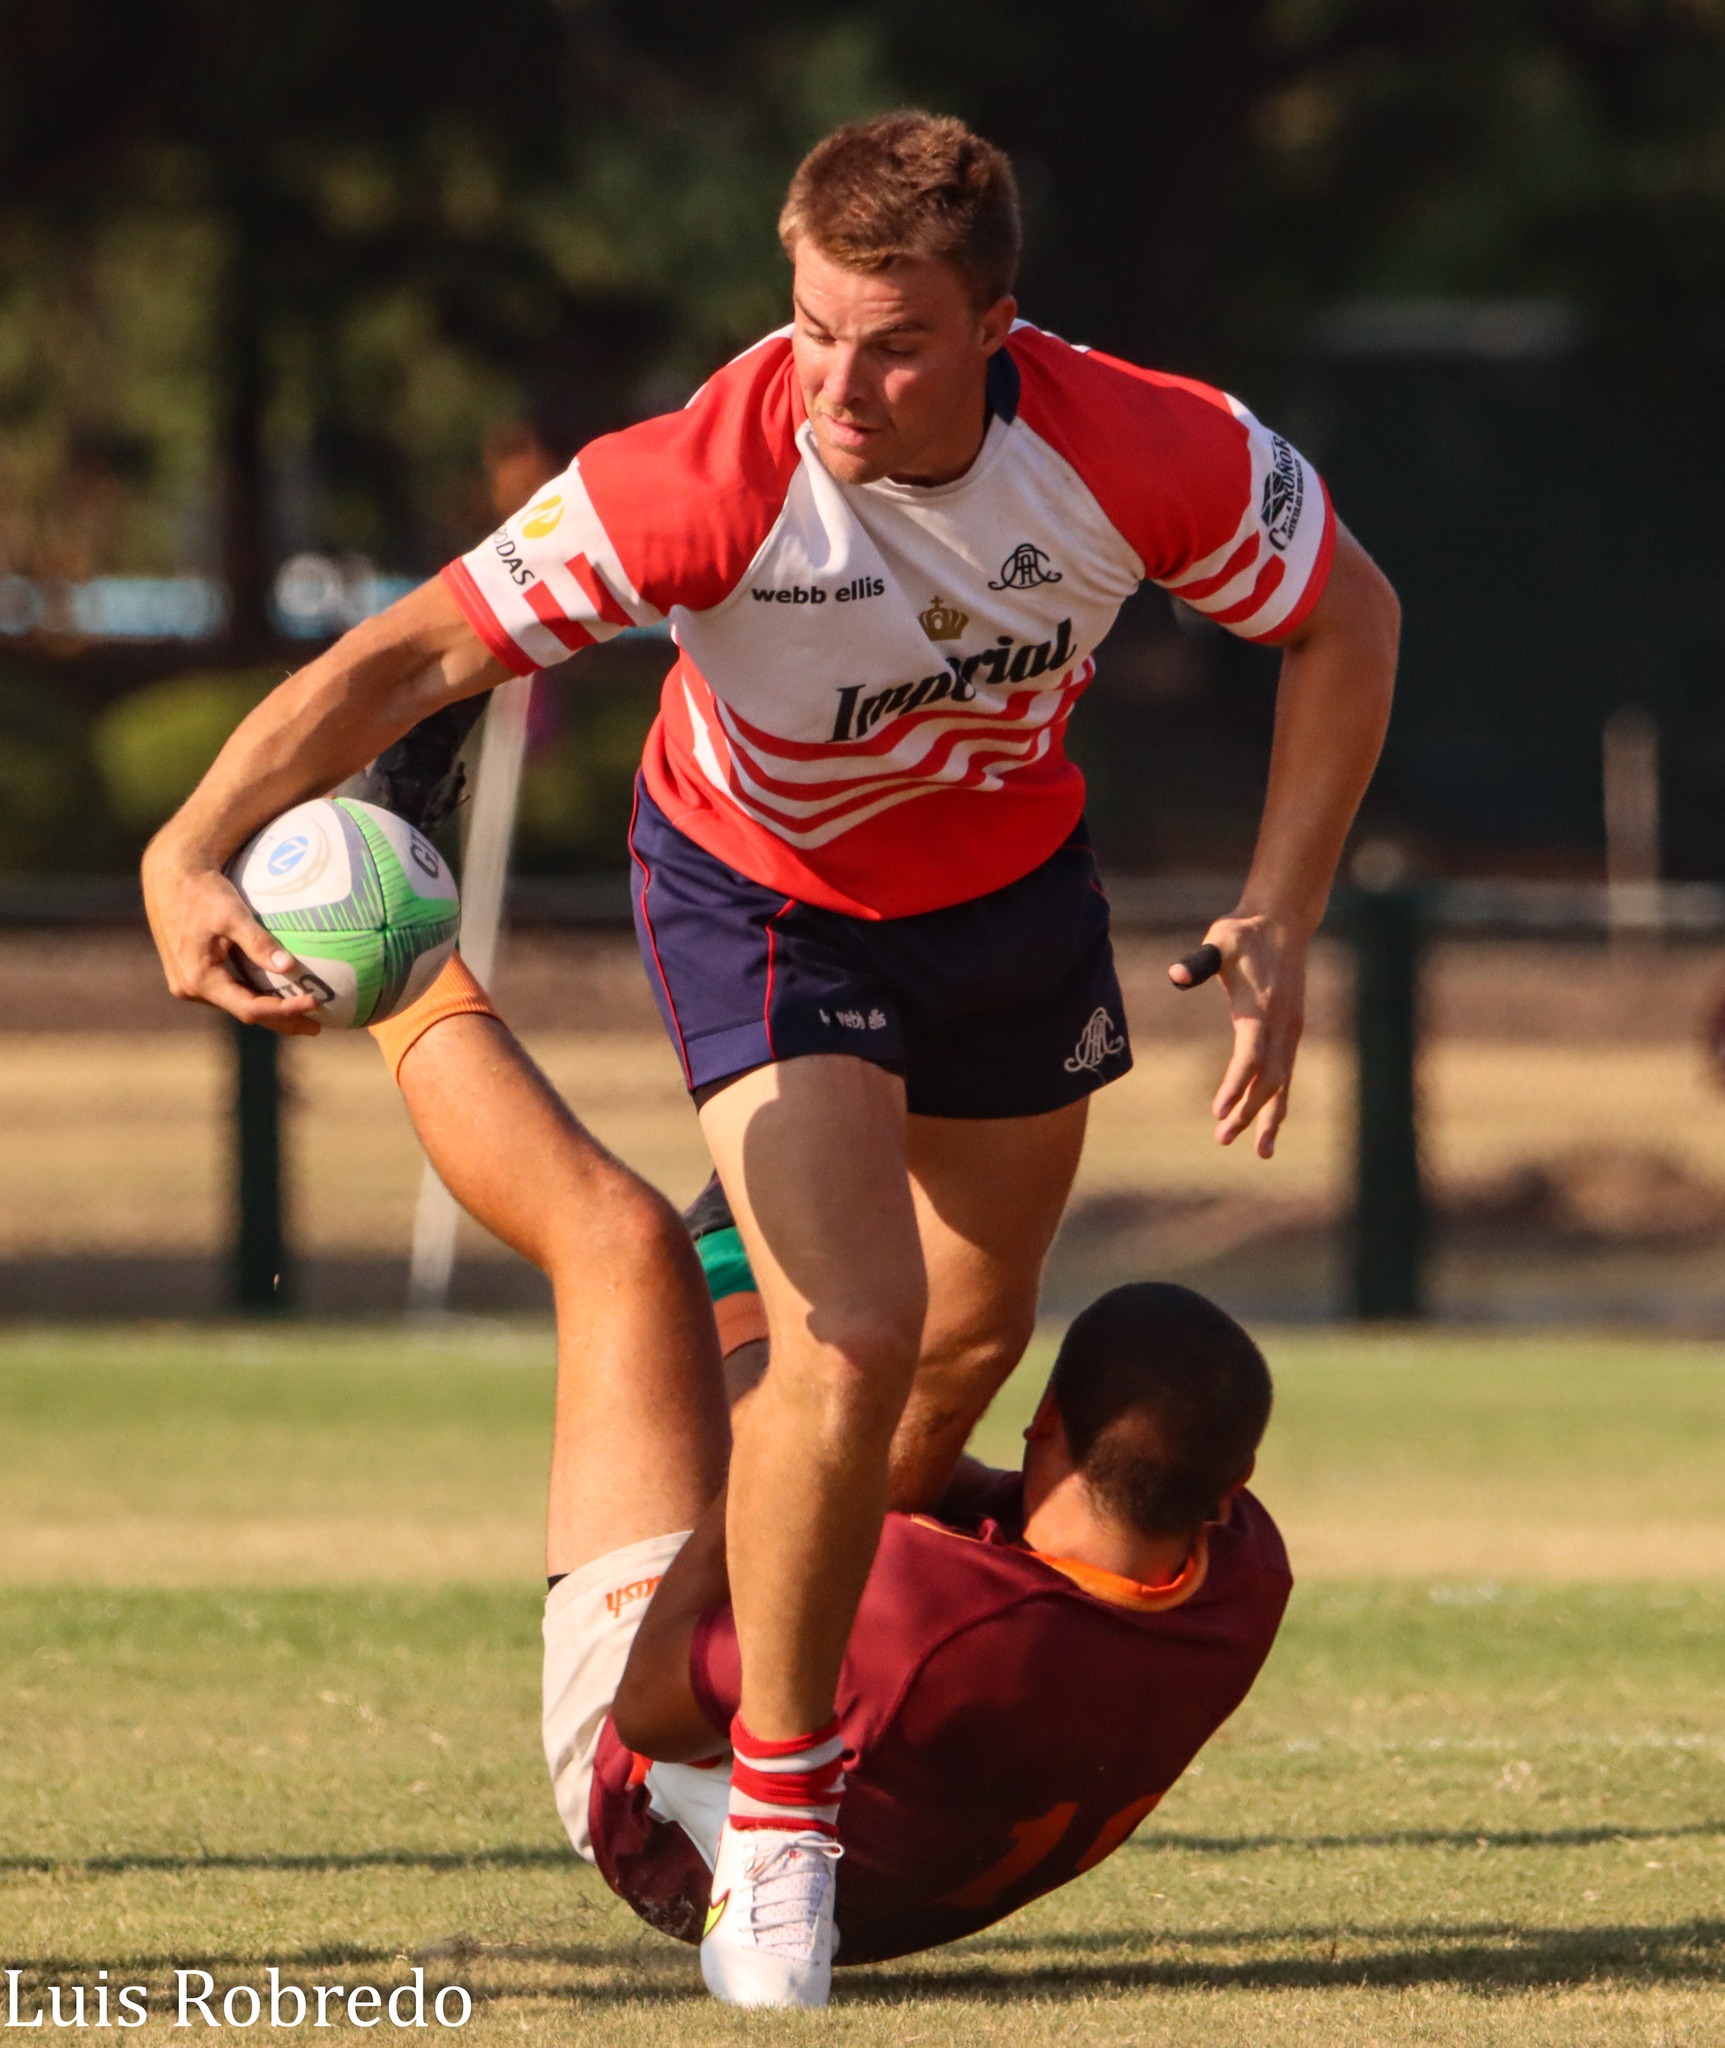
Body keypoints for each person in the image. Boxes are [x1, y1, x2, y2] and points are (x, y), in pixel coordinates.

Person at [141, 110, 1394, 1995]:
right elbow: (406, 659)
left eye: (891, 341)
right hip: (765, 894)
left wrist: (1286, 904)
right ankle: (778, 1833)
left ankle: (720, 1614)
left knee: (968, 1341)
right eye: (812, 327)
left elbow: (1350, 615)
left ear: (998, 325)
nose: (839, 380)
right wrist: (178, 847)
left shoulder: (1149, 447)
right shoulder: (700, 478)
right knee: (859, 1329)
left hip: (1006, 900)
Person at [369, 969, 1288, 2007]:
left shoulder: (921, 1614)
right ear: (1231, 1484)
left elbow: (650, 1708)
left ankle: (388, 955)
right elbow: (996, 1559)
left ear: (1046, 1422)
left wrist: (768, 1472)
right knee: (815, 1383)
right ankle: (737, 1233)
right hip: (899, 1863)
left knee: (619, 1245)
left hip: (663, 1824)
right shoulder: (1245, 1573)